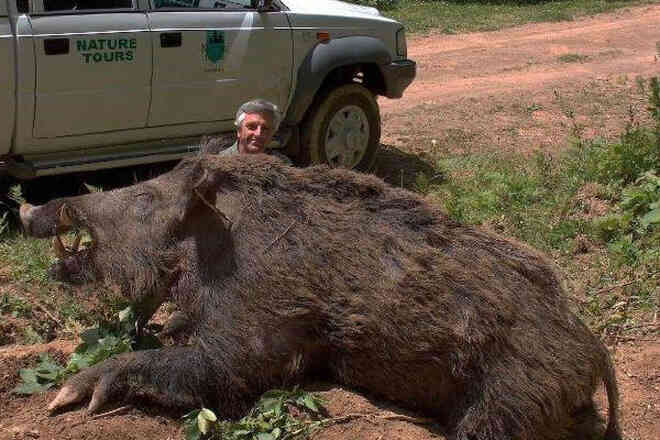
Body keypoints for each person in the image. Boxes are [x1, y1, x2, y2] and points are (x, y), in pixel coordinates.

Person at [201, 99, 292, 164]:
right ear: (239, 131)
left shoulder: (283, 165)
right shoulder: (217, 165)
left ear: (273, 134)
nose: (258, 134)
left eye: (265, 128)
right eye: (252, 127)